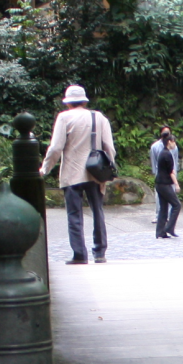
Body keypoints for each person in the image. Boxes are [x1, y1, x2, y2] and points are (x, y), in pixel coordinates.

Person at [41, 84, 115, 264]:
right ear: (84, 101)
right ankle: (100, 252)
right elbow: (109, 147)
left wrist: (45, 168)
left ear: (68, 103)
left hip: (71, 172)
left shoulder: (64, 117)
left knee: (74, 215)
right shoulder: (99, 117)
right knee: (98, 211)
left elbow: (56, 147)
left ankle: (79, 254)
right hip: (95, 173)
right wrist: (108, 170)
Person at [152, 127, 182, 238]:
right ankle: (169, 227)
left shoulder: (163, 153)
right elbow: (171, 172)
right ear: (169, 142)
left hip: (159, 184)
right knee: (177, 205)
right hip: (164, 184)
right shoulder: (167, 154)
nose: (175, 144)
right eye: (174, 141)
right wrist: (176, 184)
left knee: (163, 208)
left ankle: (160, 232)